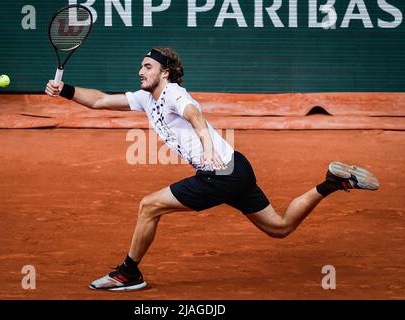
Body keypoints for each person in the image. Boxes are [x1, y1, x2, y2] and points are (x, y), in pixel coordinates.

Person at [45, 47, 379, 291]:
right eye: (141, 67)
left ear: (164, 72)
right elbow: (101, 100)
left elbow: (195, 115)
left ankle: (128, 273)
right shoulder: (147, 99)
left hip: (218, 173)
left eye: (146, 67)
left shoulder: (175, 94)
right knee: (279, 227)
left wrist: (206, 147)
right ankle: (330, 183)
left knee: (149, 205)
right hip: (237, 168)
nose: (140, 72)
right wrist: (67, 91)